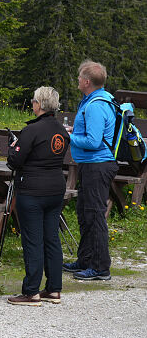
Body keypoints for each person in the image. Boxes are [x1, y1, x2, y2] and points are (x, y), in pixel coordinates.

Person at [7, 86, 70, 306]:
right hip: (55, 188)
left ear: (40, 105)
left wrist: (13, 147)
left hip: (33, 189)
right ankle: (54, 288)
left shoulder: (32, 130)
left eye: (33, 101)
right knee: (51, 238)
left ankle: (31, 291)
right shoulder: (61, 131)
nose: (32, 104)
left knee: (33, 240)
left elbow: (15, 161)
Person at [65, 60, 119, 282]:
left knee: (95, 214)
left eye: (79, 77)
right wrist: (73, 130)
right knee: (84, 212)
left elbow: (94, 141)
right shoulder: (93, 100)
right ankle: (85, 259)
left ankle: (100, 267)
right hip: (90, 164)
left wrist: (69, 136)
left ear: (87, 82)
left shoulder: (96, 105)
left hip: (98, 164)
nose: (77, 80)